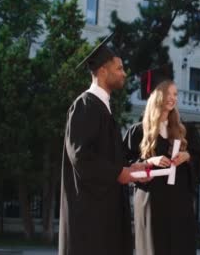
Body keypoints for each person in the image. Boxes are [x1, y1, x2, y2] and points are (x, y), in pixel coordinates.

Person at [59, 35, 147, 255]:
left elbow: (106, 157)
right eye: (119, 68)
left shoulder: (103, 108)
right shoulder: (85, 106)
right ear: (102, 72)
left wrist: (130, 168)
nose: (124, 73)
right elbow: (81, 157)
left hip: (105, 218)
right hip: (90, 222)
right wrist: (119, 172)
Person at [123, 64, 200, 255]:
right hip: (150, 203)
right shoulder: (138, 132)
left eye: (175, 94)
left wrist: (187, 156)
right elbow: (123, 168)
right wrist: (149, 163)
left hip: (179, 203)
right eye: (168, 93)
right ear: (156, 95)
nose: (173, 98)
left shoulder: (186, 129)